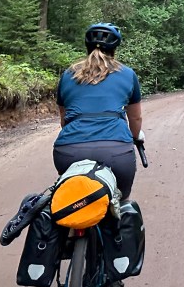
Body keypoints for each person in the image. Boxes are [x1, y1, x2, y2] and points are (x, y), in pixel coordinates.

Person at [54, 22, 143, 201]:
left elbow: (64, 119)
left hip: (69, 151)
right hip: (117, 152)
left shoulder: (68, 75)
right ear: (114, 49)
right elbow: (135, 118)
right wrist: (135, 137)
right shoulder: (127, 74)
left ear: (87, 47)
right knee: (121, 202)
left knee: (71, 202)